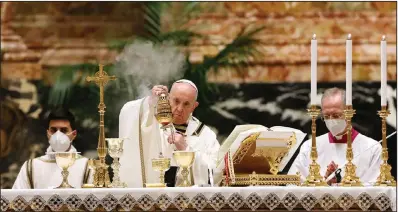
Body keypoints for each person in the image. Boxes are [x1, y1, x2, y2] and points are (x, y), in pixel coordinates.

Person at [119, 79, 220, 187]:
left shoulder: (205, 135)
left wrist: (186, 149)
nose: (180, 109)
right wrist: (150, 102)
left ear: (194, 106)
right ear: (168, 98)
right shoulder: (152, 123)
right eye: (176, 101)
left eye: (186, 104)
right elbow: (129, 113)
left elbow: (215, 172)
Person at [288, 88, 382, 185]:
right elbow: (292, 184)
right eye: (326, 116)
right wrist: (323, 184)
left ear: (349, 112)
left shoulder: (372, 148)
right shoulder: (309, 146)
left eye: (336, 115)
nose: (331, 121)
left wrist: (341, 184)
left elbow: (377, 190)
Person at [12, 108, 91, 189]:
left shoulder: (87, 166)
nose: (58, 135)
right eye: (53, 130)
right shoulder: (31, 167)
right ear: (47, 133)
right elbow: (16, 199)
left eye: (64, 130)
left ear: (74, 134)